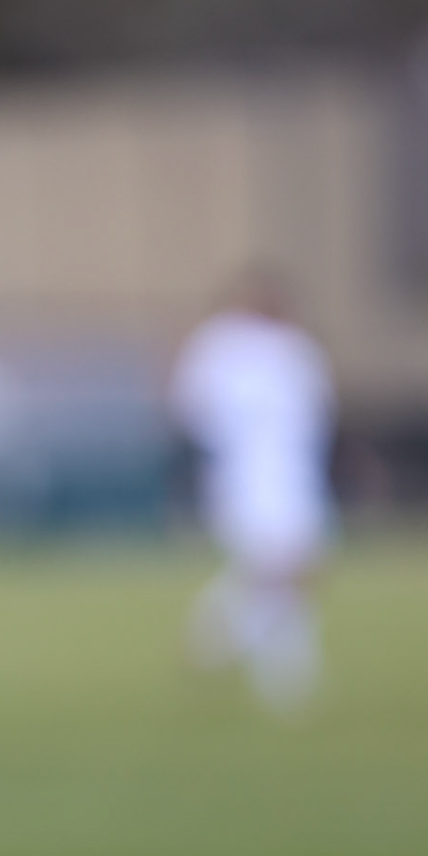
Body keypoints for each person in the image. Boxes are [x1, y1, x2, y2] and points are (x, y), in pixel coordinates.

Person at [170, 272, 335, 714]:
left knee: (295, 579)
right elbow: (194, 411)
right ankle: (219, 636)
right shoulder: (219, 346)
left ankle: (275, 673)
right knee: (276, 571)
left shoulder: (294, 348)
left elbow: (317, 413)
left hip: (294, 475)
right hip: (246, 477)